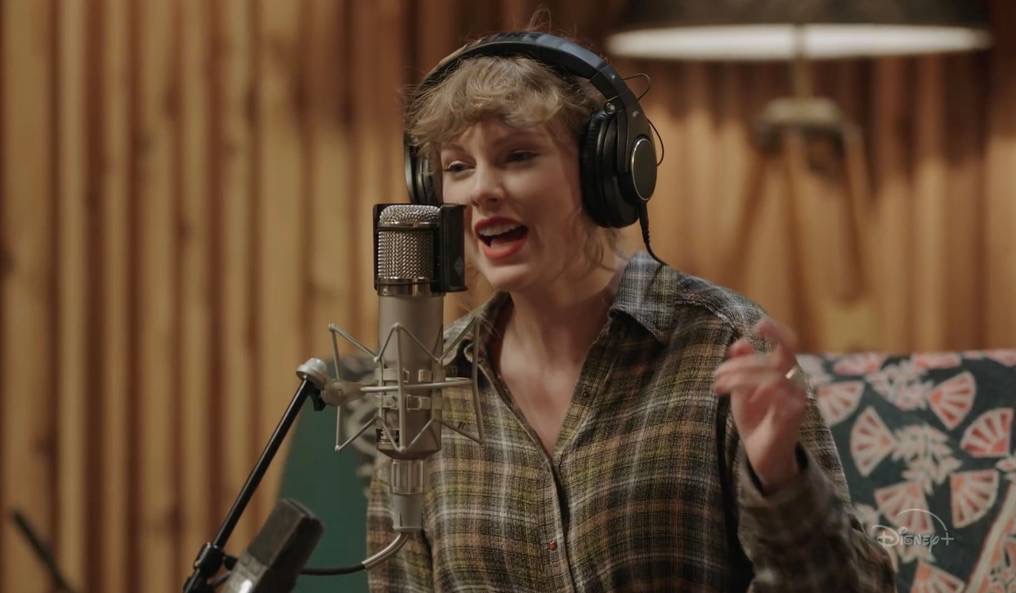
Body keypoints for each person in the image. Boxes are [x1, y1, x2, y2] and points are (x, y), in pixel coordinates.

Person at [367, 28, 897, 593]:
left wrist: (780, 481)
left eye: (518, 156)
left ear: (605, 171)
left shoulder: (724, 345)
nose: (481, 190)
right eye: (457, 168)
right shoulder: (423, 375)